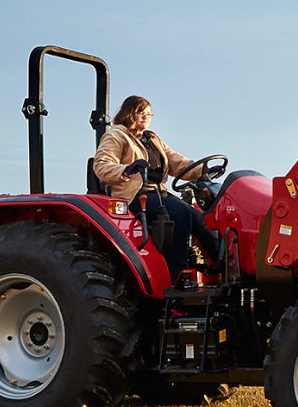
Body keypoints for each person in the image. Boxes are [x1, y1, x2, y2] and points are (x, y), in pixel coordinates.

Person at [93, 95, 220, 276]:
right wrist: (127, 170)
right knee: (180, 214)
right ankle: (178, 273)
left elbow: (178, 163)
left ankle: (222, 264)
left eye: (149, 114)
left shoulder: (151, 138)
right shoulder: (116, 135)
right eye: (141, 113)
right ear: (129, 113)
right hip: (134, 194)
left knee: (200, 217)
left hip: (159, 193)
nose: (146, 117)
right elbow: (102, 165)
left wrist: (203, 170)